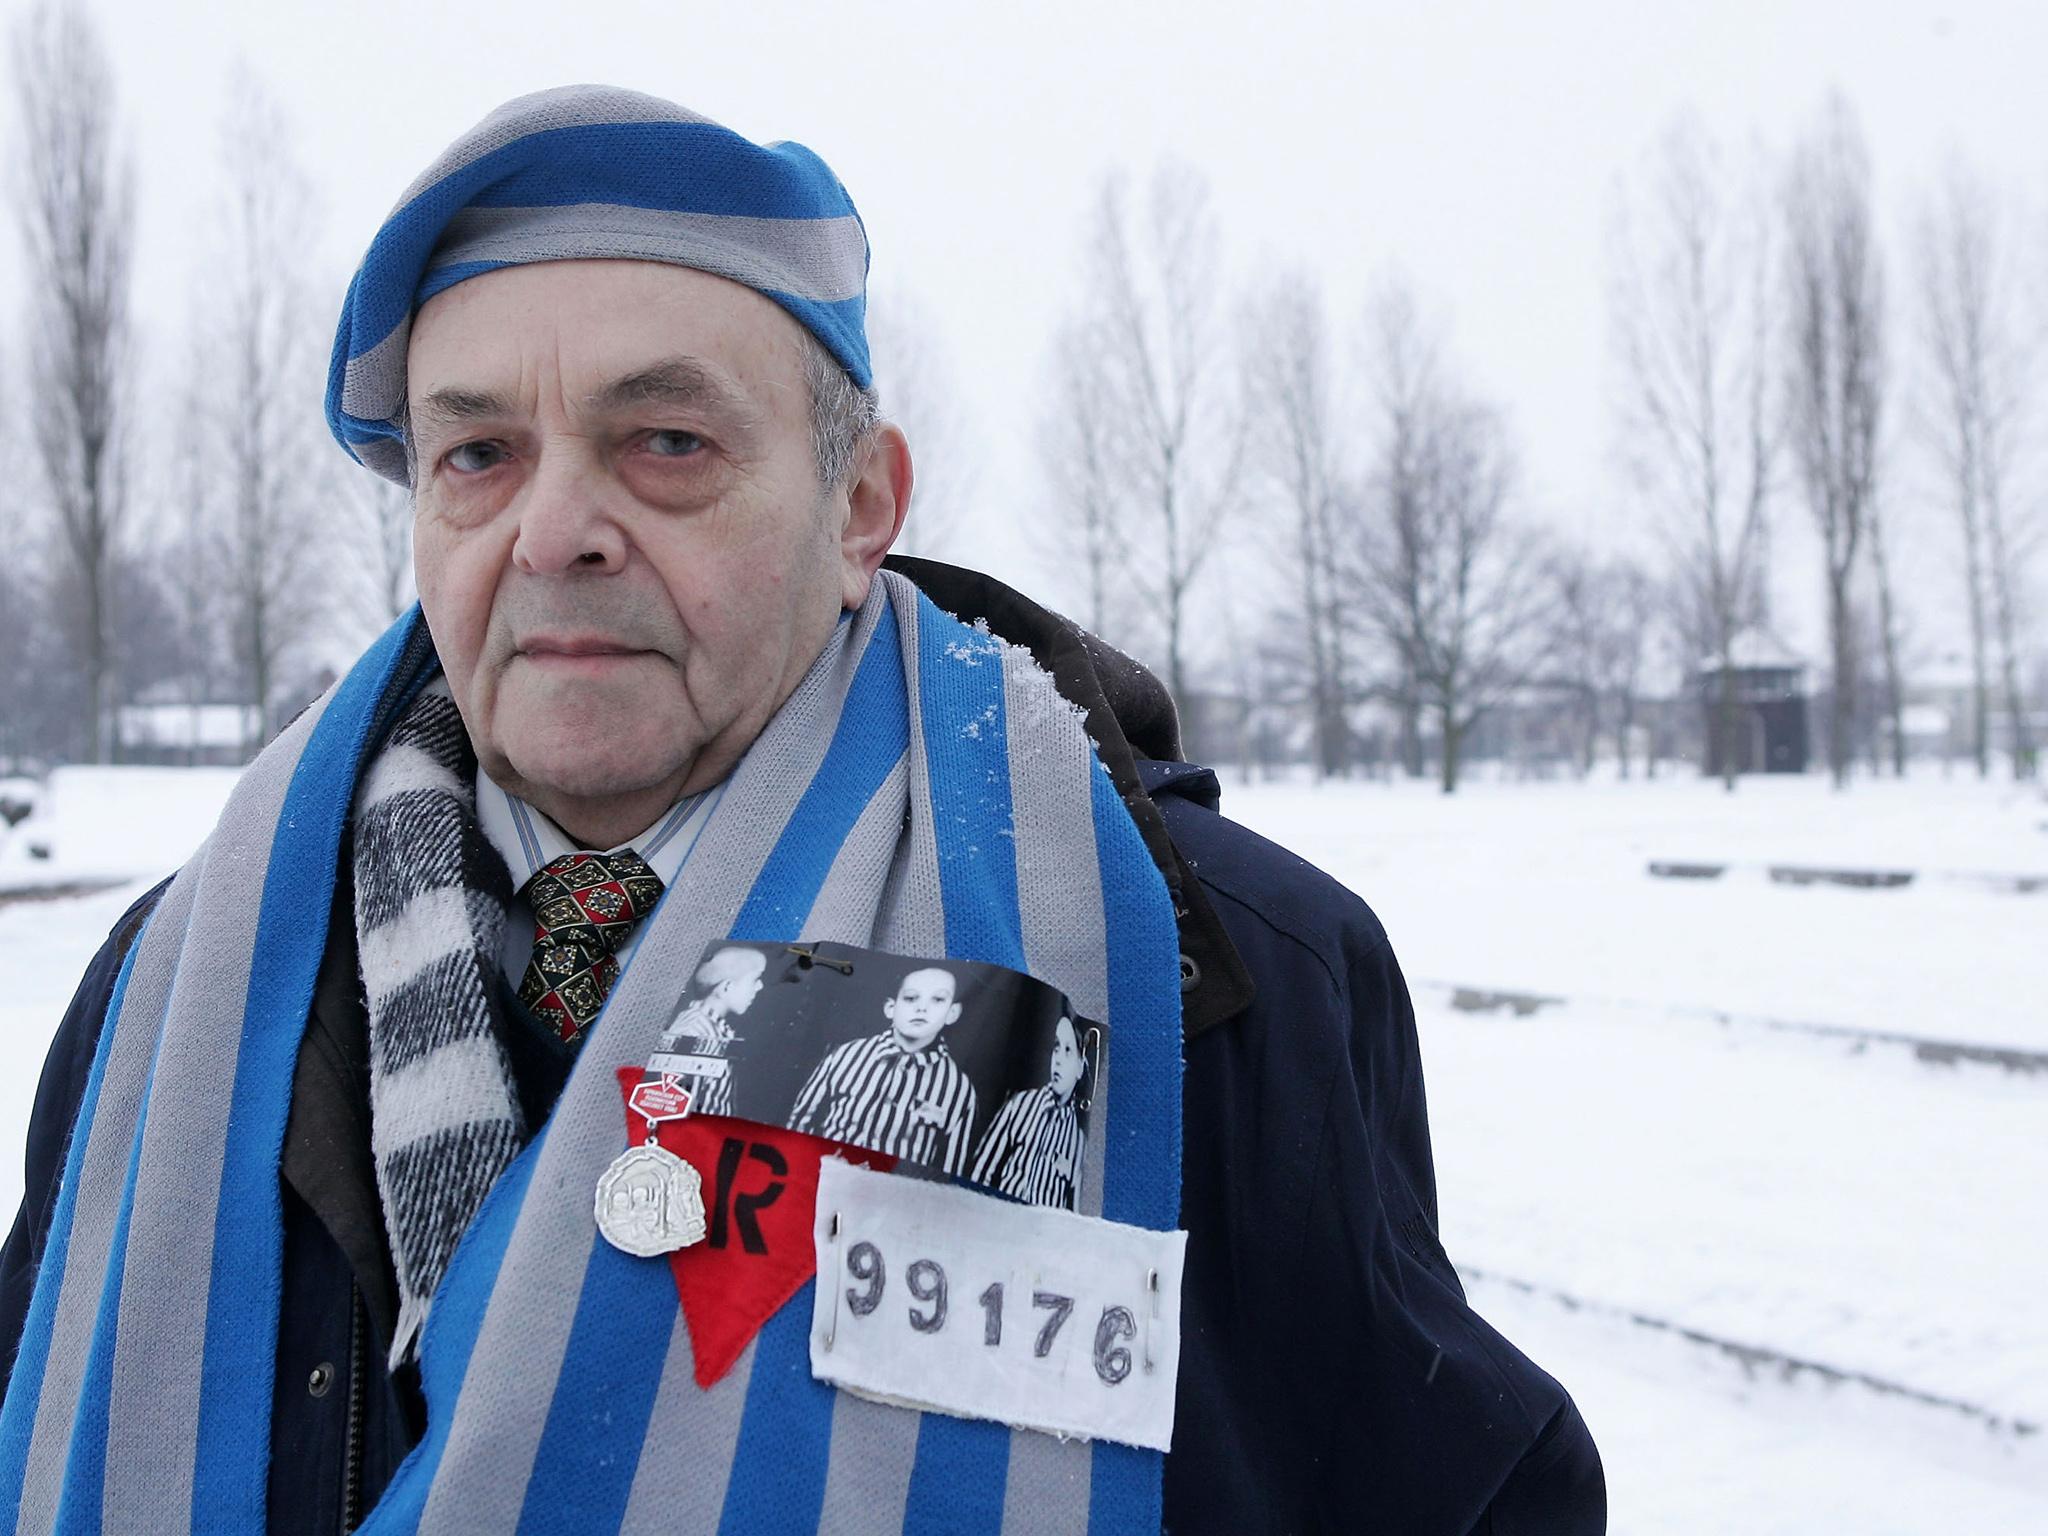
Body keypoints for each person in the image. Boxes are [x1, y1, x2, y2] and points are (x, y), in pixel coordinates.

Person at [0, 86, 1603, 1534]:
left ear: (861, 511)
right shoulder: (177, 995)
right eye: (478, 453)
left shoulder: (1215, 979)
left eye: (667, 443)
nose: (557, 529)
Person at [786, 965, 978, 1172]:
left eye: (938, 999)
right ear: (890, 1008)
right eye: (911, 998)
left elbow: (950, 1168)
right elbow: (800, 1120)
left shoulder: (958, 1089)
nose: (922, 1008)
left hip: (891, 1195)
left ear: (953, 1013)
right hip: (822, 1176)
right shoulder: (847, 1055)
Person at [969, 1015, 1087, 1210]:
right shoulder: (1020, 1105)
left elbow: (1073, 1214)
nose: (1058, 1059)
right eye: (1056, 1047)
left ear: (1080, 1068)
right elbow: (981, 1169)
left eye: (1068, 1051)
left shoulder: (1079, 1142)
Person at [651, 943, 768, 1115]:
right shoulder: (693, 1030)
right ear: (727, 987)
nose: (760, 986)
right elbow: (674, 1102)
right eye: (755, 979)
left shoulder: (716, 1028)